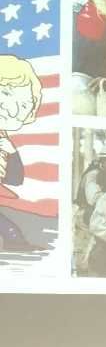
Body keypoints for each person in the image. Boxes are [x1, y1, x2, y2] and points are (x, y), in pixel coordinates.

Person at [0, 56, 43, 251]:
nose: (12, 110)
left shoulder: (5, 140)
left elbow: (15, 178)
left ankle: (14, 241)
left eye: (24, 105)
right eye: (5, 93)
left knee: (10, 229)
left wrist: (10, 150)